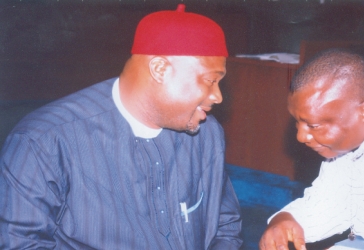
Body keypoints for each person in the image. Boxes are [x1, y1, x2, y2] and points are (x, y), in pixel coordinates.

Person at [0, 4, 242, 249]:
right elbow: (20, 243)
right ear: (160, 69)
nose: (218, 96)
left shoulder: (206, 134)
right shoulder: (43, 140)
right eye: (211, 80)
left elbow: (225, 226)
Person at [259, 48, 364, 250]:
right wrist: (286, 219)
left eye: (313, 126)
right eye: (297, 123)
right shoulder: (360, 106)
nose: (301, 137)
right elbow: (338, 198)